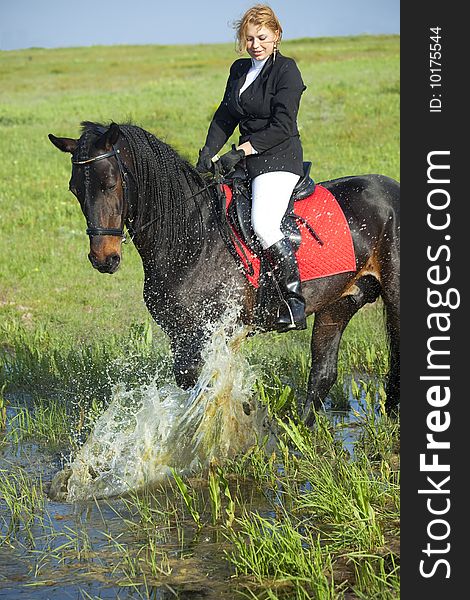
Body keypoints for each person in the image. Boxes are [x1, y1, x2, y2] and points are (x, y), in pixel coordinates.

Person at [196, 4, 307, 332]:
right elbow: (225, 116)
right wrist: (208, 153)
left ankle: (293, 301)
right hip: (245, 160)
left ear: (276, 35)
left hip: (278, 159)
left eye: (261, 37)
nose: (255, 44)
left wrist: (240, 151)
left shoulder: (287, 70)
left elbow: (283, 125)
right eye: (249, 38)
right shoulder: (239, 69)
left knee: (262, 224)